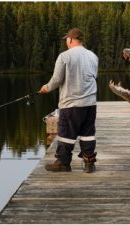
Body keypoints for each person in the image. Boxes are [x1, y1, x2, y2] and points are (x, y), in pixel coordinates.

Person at [39, 28, 99, 173]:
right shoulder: (93, 56)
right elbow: (93, 76)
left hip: (70, 104)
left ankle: (63, 163)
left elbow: (57, 80)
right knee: (88, 134)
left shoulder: (64, 56)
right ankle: (89, 163)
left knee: (66, 134)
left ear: (71, 39)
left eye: (67, 39)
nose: (66, 41)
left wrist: (46, 88)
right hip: (90, 104)